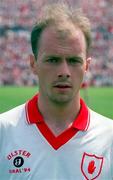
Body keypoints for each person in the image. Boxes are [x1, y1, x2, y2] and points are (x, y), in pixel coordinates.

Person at [0, 2, 113, 180]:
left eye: (74, 61)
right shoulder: (3, 131)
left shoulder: (109, 137)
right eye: (53, 60)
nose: (64, 72)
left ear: (87, 66)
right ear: (33, 64)